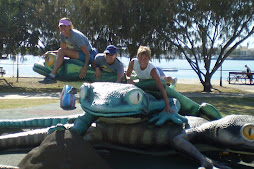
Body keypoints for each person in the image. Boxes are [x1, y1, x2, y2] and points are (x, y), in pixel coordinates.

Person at [40, 17, 97, 84]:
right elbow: (62, 51)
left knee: (62, 51)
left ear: (70, 27)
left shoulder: (76, 36)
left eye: (65, 26)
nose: (62, 29)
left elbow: (87, 53)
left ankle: (52, 75)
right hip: (78, 54)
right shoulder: (62, 35)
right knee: (62, 52)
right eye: (61, 27)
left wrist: (85, 67)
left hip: (88, 55)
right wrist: (50, 52)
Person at [125, 46, 174, 114]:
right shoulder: (133, 62)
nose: (142, 61)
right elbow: (127, 75)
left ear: (149, 59)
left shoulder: (152, 71)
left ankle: (173, 80)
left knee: (165, 80)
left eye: (145, 58)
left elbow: (161, 88)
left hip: (156, 74)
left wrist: (167, 106)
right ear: (137, 57)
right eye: (140, 58)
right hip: (143, 77)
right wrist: (129, 79)